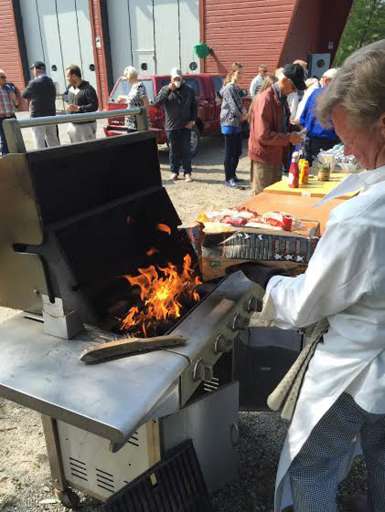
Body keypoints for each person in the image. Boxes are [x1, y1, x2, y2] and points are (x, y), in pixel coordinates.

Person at [250, 39, 385, 512]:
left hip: (361, 369)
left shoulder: (368, 219)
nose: (346, 151)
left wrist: (265, 279)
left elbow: (306, 304)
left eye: (350, 139)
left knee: (311, 468)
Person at [248, 63, 305, 194]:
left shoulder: (281, 99)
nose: (294, 91)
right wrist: (289, 138)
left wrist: (294, 129)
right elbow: (263, 135)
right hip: (264, 158)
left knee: (274, 197)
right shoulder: (265, 99)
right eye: (293, 87)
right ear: (285, 80)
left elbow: (281, 124)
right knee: (262, 198)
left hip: (275, 155)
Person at [153, 67, 197, 183]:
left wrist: (192, 120)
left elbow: (194, 106)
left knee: (186, 150)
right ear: (171, 79)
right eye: (175, 78)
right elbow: (157, 103)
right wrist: (168, 90)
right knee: (173, 150)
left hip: (185, 125)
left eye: (179, 78)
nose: (177, 80)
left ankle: (187, 173)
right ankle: (174, 172)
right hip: (171, 126)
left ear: (182, 78)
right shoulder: (165, 89)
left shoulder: (189, 90)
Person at [299, 68, 339, 165]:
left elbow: (302, 118)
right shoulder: (336, 96)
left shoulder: (314, 93)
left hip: (310, 140)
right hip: (327, 143)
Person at [22, 61, 59, 149]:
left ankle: (42, 161)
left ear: (36, 69)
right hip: (51, 115)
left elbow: (24, 95)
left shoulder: (34, 82)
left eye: (33, 69)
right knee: (53, 141)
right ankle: (58, 160)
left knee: (39, 142)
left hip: (37, 116)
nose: (32, 71)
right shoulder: (51, 82)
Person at [220, 66, 246, 188]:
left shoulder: (237, 87)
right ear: (232, 74)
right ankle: (228, 178)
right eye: (238, 73)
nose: (240, 75)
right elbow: (232, 105)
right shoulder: (228, 88)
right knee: (229, 152)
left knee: (237, 151)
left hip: (237, 123)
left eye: (242, 73)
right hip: (228, 122)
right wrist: (242, 116)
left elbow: (241, 103)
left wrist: (245, 113)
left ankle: (233, 174)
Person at [65, 65, 99, 143]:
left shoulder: (88, 89)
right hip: (73, 125)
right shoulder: (70, 87)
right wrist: (69, 104)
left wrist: (79, 108)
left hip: (85, 126)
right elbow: (65, 96)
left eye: (67, 76)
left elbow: (94, 106)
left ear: (74, 76)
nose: (67, 79)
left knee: (89, 151)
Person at [118, 65, 149, 131]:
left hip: (137, 123)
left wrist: (145, 117)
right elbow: (132, 99)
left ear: (130, 76)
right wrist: (122, 97)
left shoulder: (140, 86)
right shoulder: (133, 86)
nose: (126, 78)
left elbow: (146, 103)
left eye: (126, 76)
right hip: (130, 123)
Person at [0, 69, 18, 155]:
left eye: (5, 77)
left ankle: (15, 154)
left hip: (11, 115)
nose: (5, 79)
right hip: (1, 117)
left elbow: (16, 101)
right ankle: (5, 156)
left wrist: (12, 91)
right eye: (2, 77)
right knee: (4, 138)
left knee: (15, 136)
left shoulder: (8, 87)